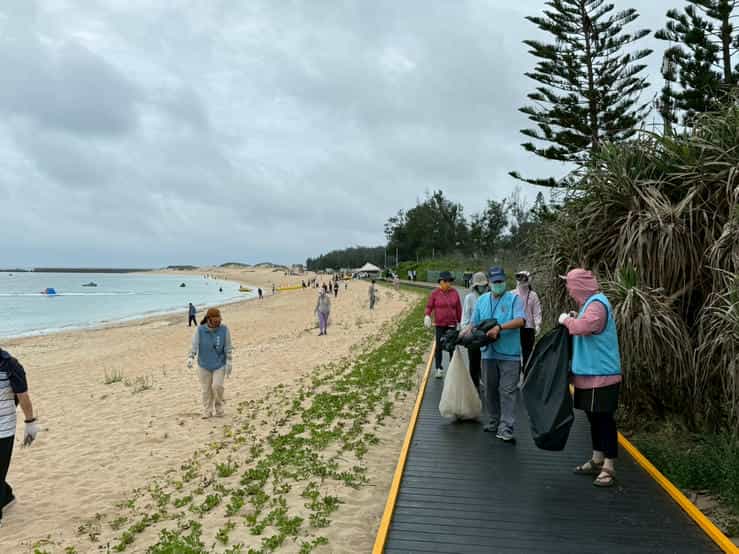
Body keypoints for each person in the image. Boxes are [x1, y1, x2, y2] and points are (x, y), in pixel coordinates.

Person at [559, 269, 622, 487]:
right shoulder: (589, 305)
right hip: (588, 374)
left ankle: (609, 466)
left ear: (579, 286)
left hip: (602, 375)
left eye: (569, 285)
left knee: (604, 419)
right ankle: (597, 458)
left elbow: (584, 327)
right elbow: (585, 323)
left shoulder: (597, 304)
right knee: (594, 419)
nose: (568, 290)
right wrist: (575, 317)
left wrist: (567, 320)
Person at [472, 267, 525, 442]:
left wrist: (500, 327)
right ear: (489, 282)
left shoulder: (514, 299)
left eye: (501, 281)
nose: (498, 284)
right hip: (488, 353)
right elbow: (474, 323)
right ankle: (494, 420)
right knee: (489, 389)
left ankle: (506, 427)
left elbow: (521, 320)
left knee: (508, 391)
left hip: (510, 353)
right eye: (495, 282)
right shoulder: (481, 301)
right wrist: (464, 334)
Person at [0, 349, 39, 527]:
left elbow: (23, 396)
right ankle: (7, 497)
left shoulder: (9, 365)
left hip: (4, 428)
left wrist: (30, 423)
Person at [187, 308, 233, 419]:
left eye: (219, 321)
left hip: (219, 364)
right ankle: (207, 410)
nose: (218, 323)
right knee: (206, 390)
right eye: (215, 321)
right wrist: (191, 357)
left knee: (217, 386)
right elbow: (194, 344)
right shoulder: (200, 330)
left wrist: (229, 361)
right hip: (204, 365)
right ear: (209, 319)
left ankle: (219, 407)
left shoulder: (224, 329)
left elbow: (228, 346)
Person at [424, 271, 462, 379]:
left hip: (452, 324)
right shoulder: (435, 293)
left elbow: (458, 308)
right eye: (446, 281)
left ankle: (453, 368)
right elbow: (429, 306)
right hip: (440, 324)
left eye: (450, 281)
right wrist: (427, 315)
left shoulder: (454, 293)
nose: (448, 283)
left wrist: (460, 322)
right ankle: (438, 368)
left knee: (451, 346)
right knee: (439, 346)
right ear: (440, 282)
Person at [460, 272, 489, 391]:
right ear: (476, 286)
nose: (482, 287)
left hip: (486, 334)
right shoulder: (470, 298)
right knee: (474, 361)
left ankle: (486, 383)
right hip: (473, 334)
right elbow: (465, 318)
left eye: (484, 285)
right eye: (480, 285)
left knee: (487, 361)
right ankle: (474, 385)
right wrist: (466, 332)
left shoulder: (489, 296)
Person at [513, 271, 543, 373]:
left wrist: (537, 324)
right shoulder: (512, 294)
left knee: (528, 352)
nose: (522, 280)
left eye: (524, 278)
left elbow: (536, 311)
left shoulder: (533, 295)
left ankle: (526, 373)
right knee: (515, 352)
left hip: (528, 327)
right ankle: (514, 372)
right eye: (520, 278)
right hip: (515, 327)